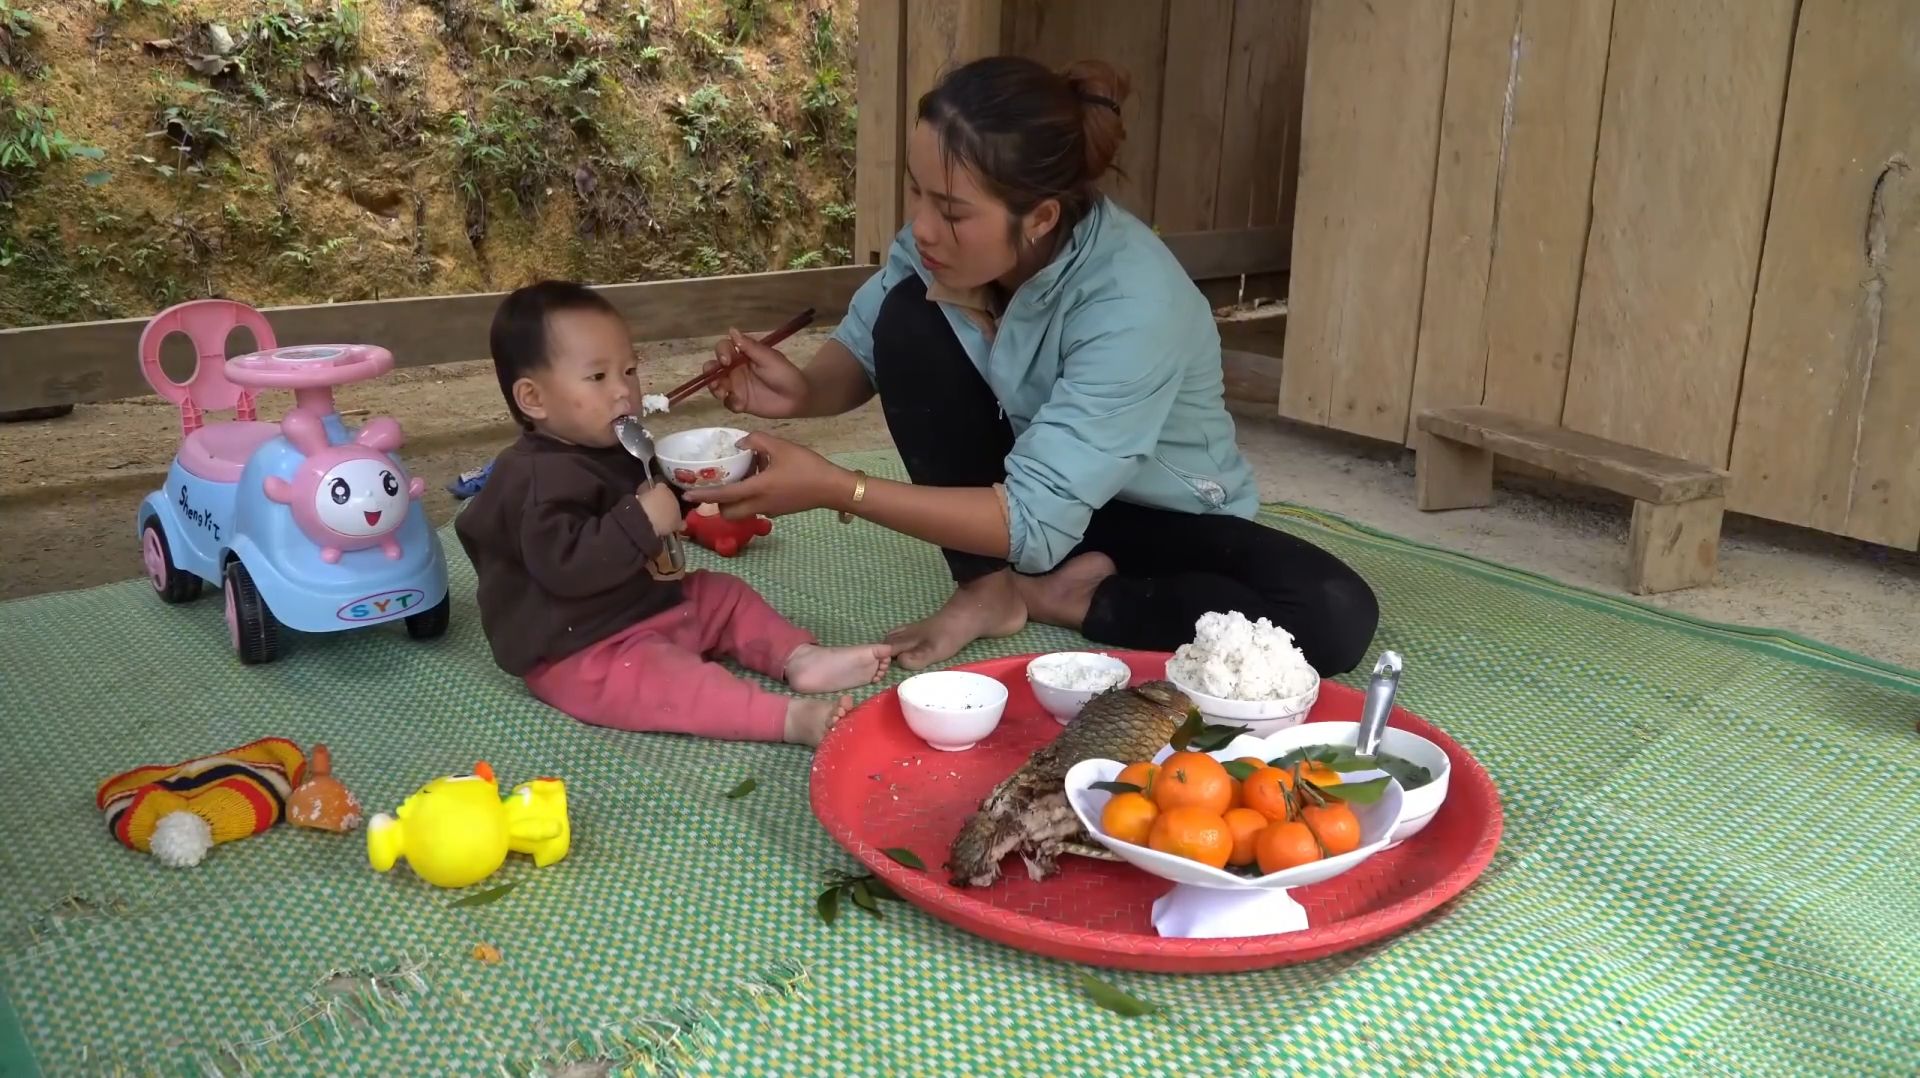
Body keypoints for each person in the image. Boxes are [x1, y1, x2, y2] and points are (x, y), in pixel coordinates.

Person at [688, 56, 1379, 674]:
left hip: (1153, 514)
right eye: (917, 192)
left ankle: (1056, 598)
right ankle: (986, 589)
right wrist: (801, 390)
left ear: (1042, 218)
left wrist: (841, 488)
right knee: (906, 315)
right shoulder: (937, 246)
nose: (922, 226)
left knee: (1333, 616)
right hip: (1028, 487)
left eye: (952, 210)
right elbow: (871, 350)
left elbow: (1034, 520)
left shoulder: (1135, 299)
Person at [454, 281, 891, 747]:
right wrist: (643, 520)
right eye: (598, 377)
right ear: (534, 399)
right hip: (584, 650)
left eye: (629, 369)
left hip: (653, 603)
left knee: (725, 596)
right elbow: (565, 567)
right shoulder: (534, 481)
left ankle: (798, 657)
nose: (624, 391)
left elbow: (655, 497)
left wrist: (702, 480)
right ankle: (786, 719)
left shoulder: (613, 442)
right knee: (672, 683)